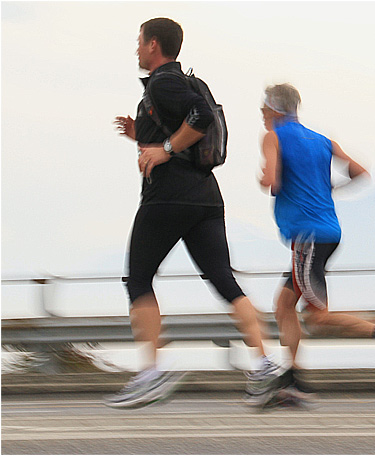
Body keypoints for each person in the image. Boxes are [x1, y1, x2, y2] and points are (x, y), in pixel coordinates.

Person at [107, 18, 281, 409]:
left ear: (154, 44)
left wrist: (165, 149)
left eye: (140, 41)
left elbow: (200, 117)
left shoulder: (163, 82)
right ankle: (264, 363)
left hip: (168, 197)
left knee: (138, 279)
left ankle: (151, 374)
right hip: (205, 197)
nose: (137, 49)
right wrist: (142, 134)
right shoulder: (179, 82)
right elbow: (186, 126)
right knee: (223, 279)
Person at [258, 83, 375, 403]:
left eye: (264, 109)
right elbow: (360, 171)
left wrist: (266, 177)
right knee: (284, 306)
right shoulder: (322, 140)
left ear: (275, 109)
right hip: (327, 232)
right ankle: (294, 379)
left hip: (307, 236)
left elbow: (272, 181)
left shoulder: (273, 137)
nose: (262, 114)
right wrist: (330, 189)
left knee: (318, 318)